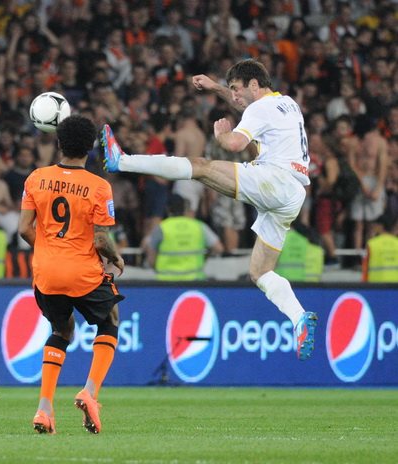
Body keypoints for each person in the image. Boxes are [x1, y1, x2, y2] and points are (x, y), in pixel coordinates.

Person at [102, 59, 318, 360]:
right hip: (294, 194)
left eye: (236, 88)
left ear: (254, 84)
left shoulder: (260, 109)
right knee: (260, 272)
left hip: (274, 180)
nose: (235, 96)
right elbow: (246, 104)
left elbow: (235, 144)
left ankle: (122, 161)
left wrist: (222, 136)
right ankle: (299, 318)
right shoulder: (287, 104)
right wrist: (217, 87)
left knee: (201, 167)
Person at [19, 115, 125, 435]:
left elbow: (24, 229)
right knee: (110, 319)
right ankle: (90, 392)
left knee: (61, 330)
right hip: (82, 273)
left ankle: (44, 409)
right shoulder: (99, 186)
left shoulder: (36, 178)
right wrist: (115, 257)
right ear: (91, 147)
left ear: (58, 143)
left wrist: (50, 249)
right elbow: (101, 240)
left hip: (46, 274)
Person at [146, 194, 223, 281]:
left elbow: (151, 260)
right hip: (194, 281)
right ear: (185, 208)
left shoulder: (161, 228)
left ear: (168, 209)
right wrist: (204, 257)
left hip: (167, 282)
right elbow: (218, 248)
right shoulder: (198, 226)